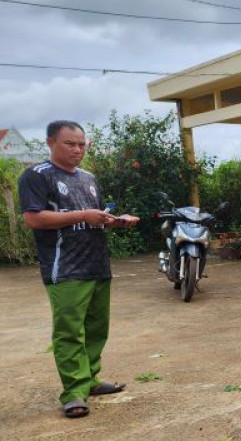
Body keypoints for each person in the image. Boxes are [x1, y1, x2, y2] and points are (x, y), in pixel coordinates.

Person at [19, 120, 140, 419]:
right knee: (70, 331)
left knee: (97, 328)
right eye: (69, 144)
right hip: (65, 267)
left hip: (97, 263)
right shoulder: (36, 175)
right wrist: (85, 214)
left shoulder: (88, 177)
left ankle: (91, 379)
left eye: (81, 144)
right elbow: (34, 219)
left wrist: (114, 220)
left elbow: (93, 217)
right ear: (50, 143)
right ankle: (74, 392)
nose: (77, 150)